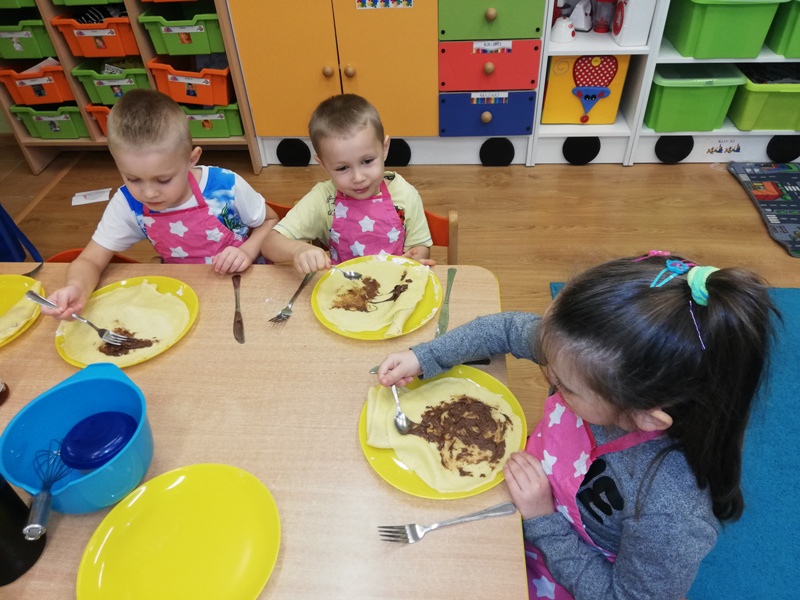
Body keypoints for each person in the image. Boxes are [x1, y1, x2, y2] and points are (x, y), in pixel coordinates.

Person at [377, 252, 778, 600]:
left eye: (563, 387)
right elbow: (506, 329)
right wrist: (426, 356)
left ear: (644, 416)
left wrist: (542, 519)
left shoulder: (670, 513)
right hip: (526, 495)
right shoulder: (582, 358)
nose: (548, 375)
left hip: (568, 564)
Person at [43, 89, 279, 321]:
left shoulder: (225, 185)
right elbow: (90, 260)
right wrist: (77, 288)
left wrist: (247, 251)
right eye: (133, 179)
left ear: (192, 159)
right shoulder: (128, 203)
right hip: (185, 295)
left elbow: (270, 220)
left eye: (163, 180)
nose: (149, 193)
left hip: (246, 284)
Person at [261, 94, 433, 274]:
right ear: (324, 165)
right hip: (344, 287)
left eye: (367, 161)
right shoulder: (323, 198)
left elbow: (420, 246)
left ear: (384, 149)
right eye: (342, 168)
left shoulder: (406, 194)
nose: (358, 177)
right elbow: (269, 243)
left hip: (396, 281)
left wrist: (415, 258)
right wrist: (298, 250)